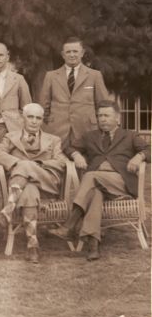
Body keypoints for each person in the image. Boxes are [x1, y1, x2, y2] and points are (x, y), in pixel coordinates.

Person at [49, 100, 150, 261]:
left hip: (120, 182)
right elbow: (68, 147)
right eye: (99, 116)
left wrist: (139, 156)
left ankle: (70, 224)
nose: (102, 119)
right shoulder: (90, 137)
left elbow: (149, 148)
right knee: (95, 195)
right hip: (97, 184)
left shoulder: (129, 135)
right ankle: (93, 246)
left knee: (90, 176)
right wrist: (76, 155)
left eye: (106, 115)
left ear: (117, 118)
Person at [0, 103, 68, 263]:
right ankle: (33, 246)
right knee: (29, 191)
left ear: (42, 120)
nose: (34, 121)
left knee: (26, 165)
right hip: (24, 188)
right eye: (30, 117)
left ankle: (7, 211)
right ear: (23, 118)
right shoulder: (11, 137)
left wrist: (35, 165)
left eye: (38, 118)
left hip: (46, 183)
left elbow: (61, 162)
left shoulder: (53, 140)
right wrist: (17, 163)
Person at [39, 36, 109, 148]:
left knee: (85, 163)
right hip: (57, 131)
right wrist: (49, 126)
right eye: (68, 52)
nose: (72, 55)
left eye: (75, 51)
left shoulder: (94, 75)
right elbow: (43, 107)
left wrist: (99, 128)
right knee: (58, 163)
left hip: (86, 131)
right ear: (63, 54)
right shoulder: (51, 76)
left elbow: (104, 105)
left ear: (82, 53)